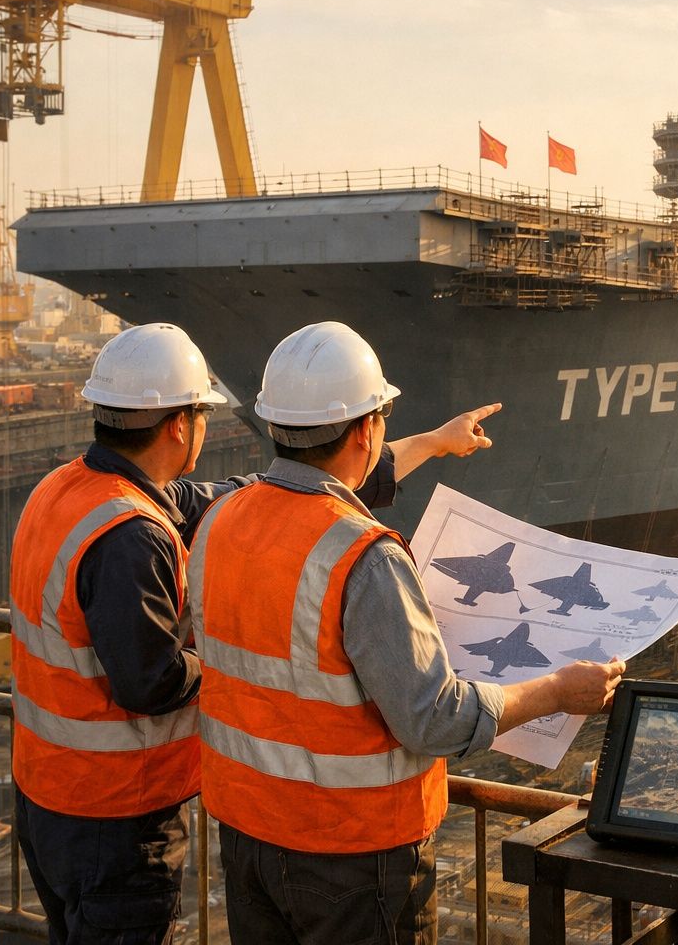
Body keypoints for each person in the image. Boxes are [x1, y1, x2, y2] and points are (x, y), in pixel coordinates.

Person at [9, 322, 498, 945]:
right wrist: (246, 665)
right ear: (182, 425)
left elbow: (283, 488)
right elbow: (149, 681)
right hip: (114, 815)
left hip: (48, 796)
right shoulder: (133, 535)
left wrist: (429, 443)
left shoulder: (69, 491)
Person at [189, 321, 624, 945]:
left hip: (249, 840)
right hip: (352, 860)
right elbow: (435, 720)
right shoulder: (365, 556)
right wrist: (556, 691)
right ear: (368, 428)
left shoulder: (219, 520)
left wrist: (436, 443)